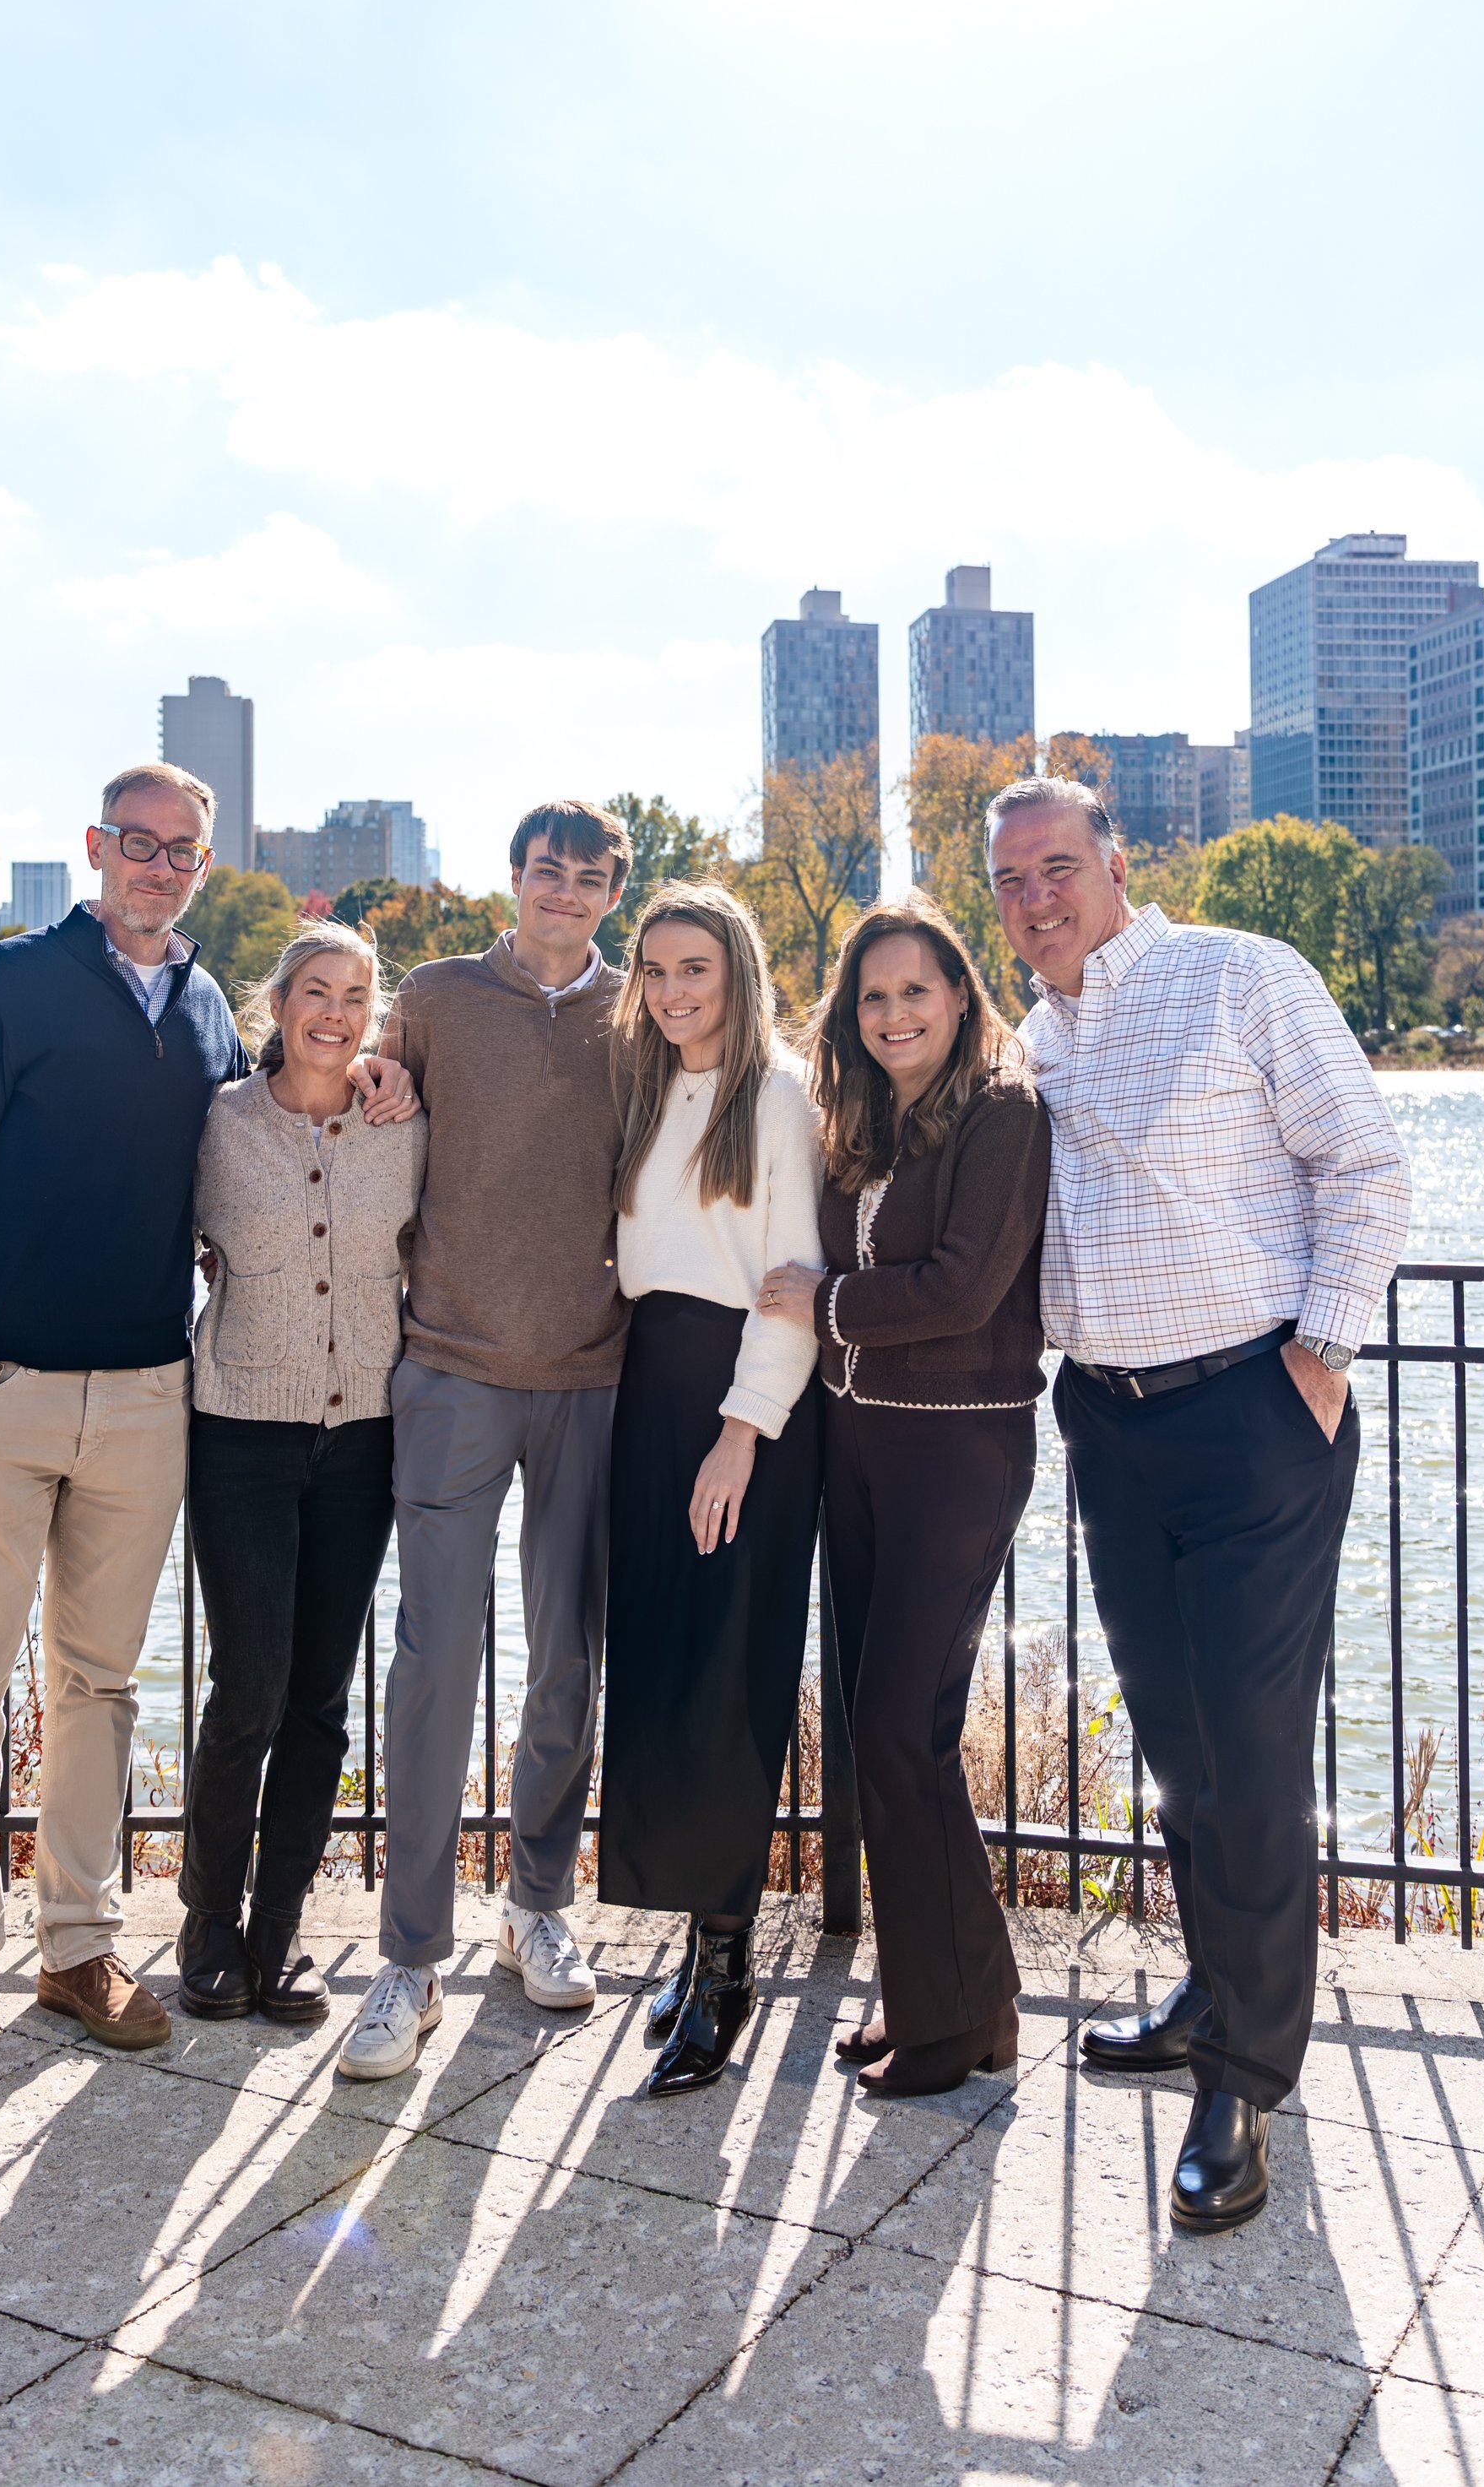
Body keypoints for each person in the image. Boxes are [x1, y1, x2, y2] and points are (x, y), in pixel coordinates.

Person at [0, 761, 415, 2089]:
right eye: (140, 843)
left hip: (142, 1400)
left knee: (99, 1688)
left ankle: (77, 1947)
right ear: (97, 848)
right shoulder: (4, 984)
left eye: (184, 850)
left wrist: (388, 1078)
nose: (161, 867)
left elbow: (283, 1126)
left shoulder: (200, 1014)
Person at [987, 773, 1411, 2232]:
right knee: (1177, 1737)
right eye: (1011, 881)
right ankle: (1214, 1989)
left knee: (1249, 1744)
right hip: (1109, 1424)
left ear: (1116, 863)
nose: (1035, 898)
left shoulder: (1242, 974)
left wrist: (1323, 1351)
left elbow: (1365, 1160)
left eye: (1056, 867)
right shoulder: (1034, 1039)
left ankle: (1244, 2078)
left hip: (1251, 1418)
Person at [338, 798, 634, 2082]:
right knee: (432, 1663)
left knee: (568, 1654)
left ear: (614, 893)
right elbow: (360, 1089)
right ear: (513, 880)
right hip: (450, 1371)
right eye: (544, 870)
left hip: (592, 1375)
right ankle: (407, 1957)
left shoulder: (645, 1012)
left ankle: (537, 1907)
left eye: (587, 877)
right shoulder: (438, 997)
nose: (561, 891)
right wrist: (373, 1071)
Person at [761, 891, 1050, 2098]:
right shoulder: (862, 1118)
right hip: (859, 1449)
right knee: (885, 1738)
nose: (893, 1014)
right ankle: (951, 1999)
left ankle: (960, 2014)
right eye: (872, 995)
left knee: (900, 1729)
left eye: (915, 991)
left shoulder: (1003, 1112)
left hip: (961, 1454)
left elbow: (964, 1288)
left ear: (959, 995)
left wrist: (819, 1306)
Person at [176, 922, 427, 2026]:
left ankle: (280, 1934)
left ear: (376, 1012)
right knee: (249, 1692)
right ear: (277, 1004)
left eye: (356, 995)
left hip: (364, 1440)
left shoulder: (404, 1121)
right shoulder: (218, 1125)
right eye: (316, 991)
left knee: (323, 1700)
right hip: (240, 1434)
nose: (335, 1012)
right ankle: (207, 1922)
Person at [598, 884, 824, 2094]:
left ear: (737, 970)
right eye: (654, 971)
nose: (673, 991)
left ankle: (729, 1966)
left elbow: (796, 1277)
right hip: (648, 1396)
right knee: (664, 1671)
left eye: (696, 969)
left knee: (728, 1670)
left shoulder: (778, 1098)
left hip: (739, 1410)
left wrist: (742, 1434)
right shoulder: (647, 1091)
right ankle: (695, 1946)